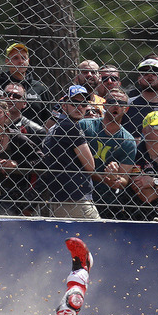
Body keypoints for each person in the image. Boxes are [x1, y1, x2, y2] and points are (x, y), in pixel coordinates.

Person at [77, 87, 136, 219]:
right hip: (78, 192)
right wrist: (104, 178)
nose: (116, 105)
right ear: (104, 105)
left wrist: (114, 178)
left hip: (106, 200)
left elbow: (123, 181)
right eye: (112, 101)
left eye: (121, 104)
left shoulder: (128, 141)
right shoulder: (85, 126)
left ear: (126, 109)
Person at [41, 85, 99, 219]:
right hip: (76, 199)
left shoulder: (55, 127)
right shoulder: (70, 127)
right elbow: (90, 166)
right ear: (64, 105)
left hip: (60, 197)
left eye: (83, 104)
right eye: (74, 103)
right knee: (96, 236)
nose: (79, 107)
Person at [114, 111, 158, 221]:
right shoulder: (135, 153)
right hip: (137, 216)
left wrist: (155, 182)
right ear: (144, 131)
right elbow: (147, 196)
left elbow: (151, 188)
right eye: (157, 126)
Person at [0, 43, 52, 124]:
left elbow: (48, 119)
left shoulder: (40, 88)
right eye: (15, 58)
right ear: (7, 61)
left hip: (34, 135)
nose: (20, 61)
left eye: (23, 58)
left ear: (28, 61)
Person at [123, 58, 158, 140]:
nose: (150, 75)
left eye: (155, 71)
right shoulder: (127, 105)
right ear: (139, 79)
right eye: (145, 72)